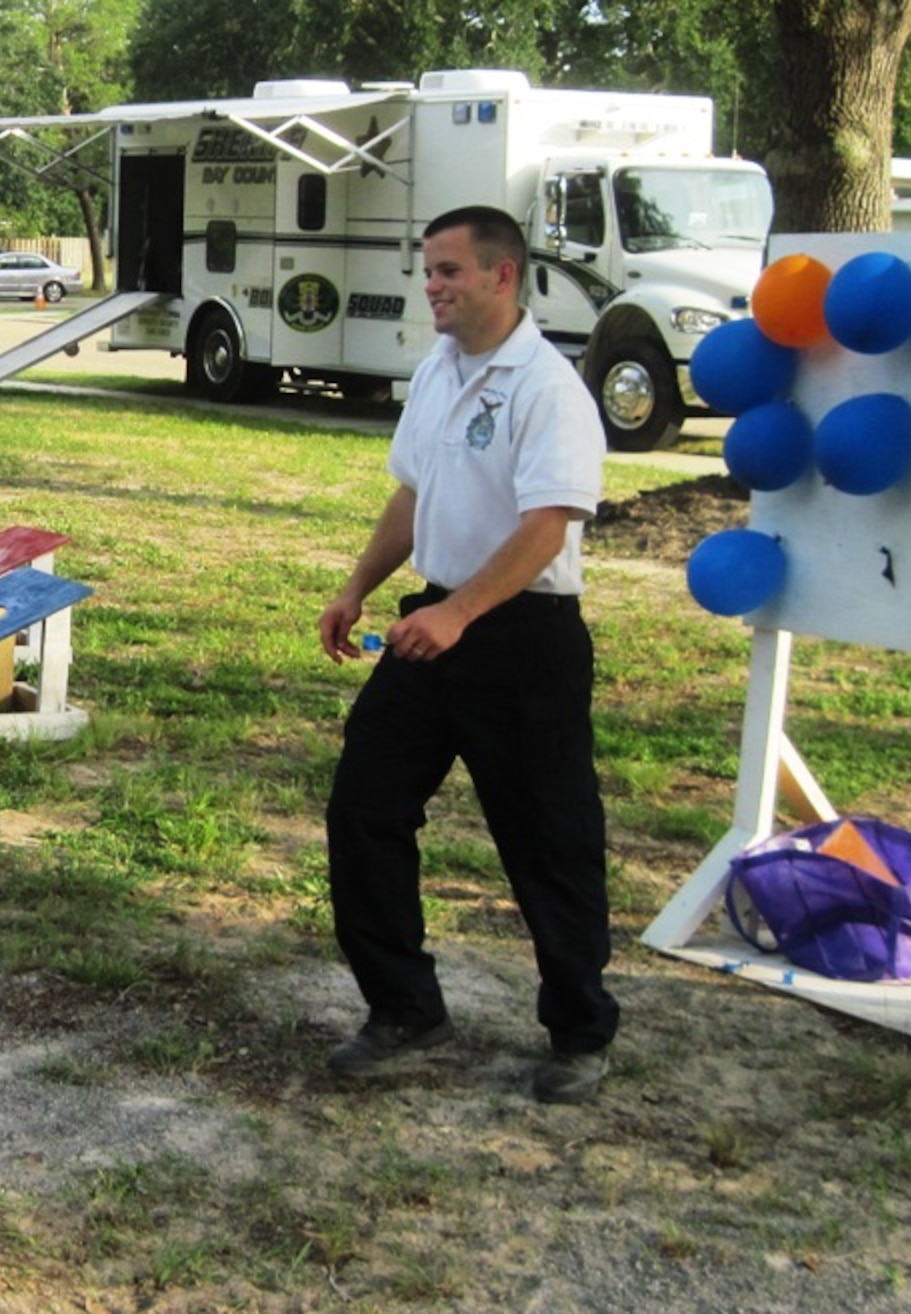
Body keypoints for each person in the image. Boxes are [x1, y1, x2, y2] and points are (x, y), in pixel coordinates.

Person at [316, 205, 620, 1104]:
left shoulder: (548, 388)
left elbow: (548, 526)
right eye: (428, 269)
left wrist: (462, 616)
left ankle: (579, 1032)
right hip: (431, 626)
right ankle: (406, 1007)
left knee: (549, 841)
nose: (432, 285)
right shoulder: (438, 370)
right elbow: (413, 496)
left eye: (449, 270)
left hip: (523, 636)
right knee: (363, 809)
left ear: (502, 276)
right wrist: (357, 587)